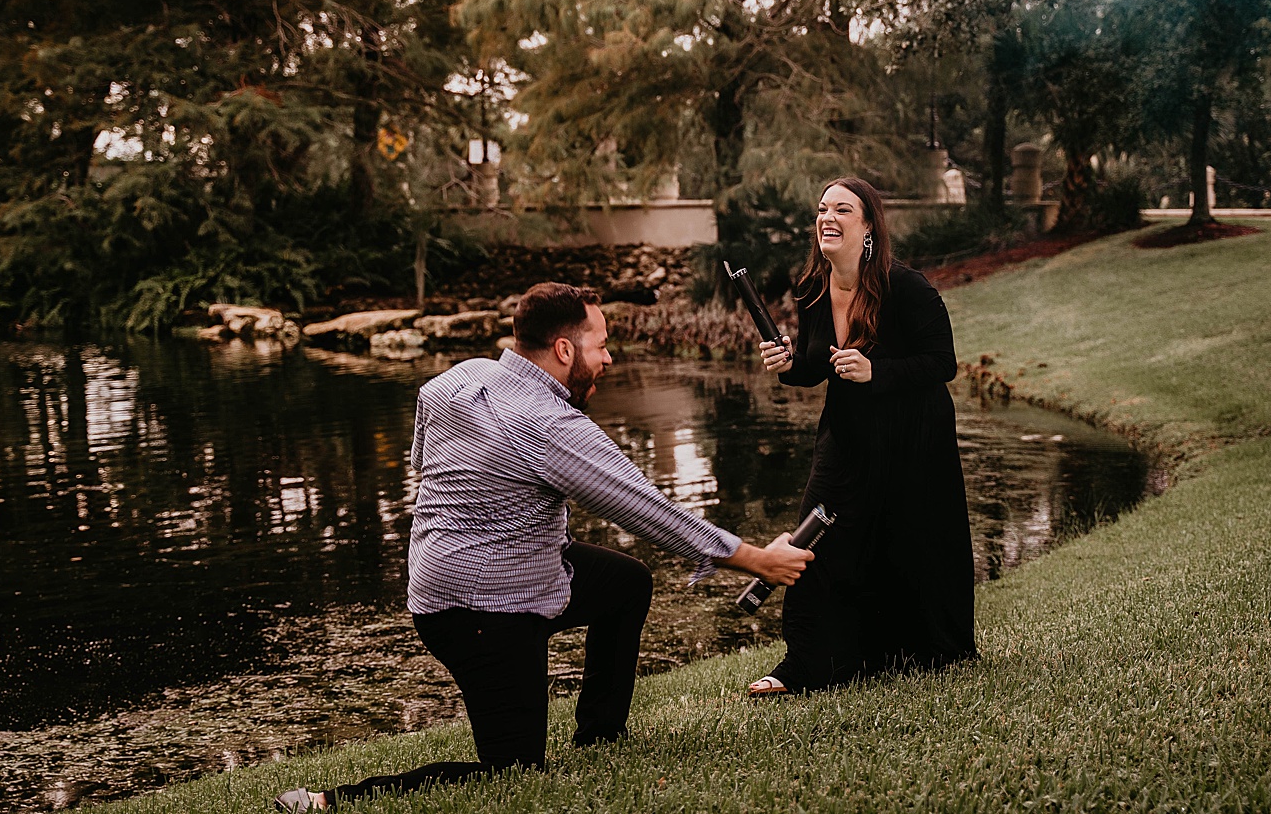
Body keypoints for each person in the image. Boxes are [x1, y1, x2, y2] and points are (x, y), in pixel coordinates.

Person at [275, 282, 812, 811]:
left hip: (482, 571)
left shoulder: (459, 377)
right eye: (600, 346)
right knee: (512, 773)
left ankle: (600, 737)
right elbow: (646, 509)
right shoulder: (546, 424)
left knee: (626, 583)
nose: (607, 359)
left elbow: (422, 444)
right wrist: (757, 559)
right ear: (563, 349)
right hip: (476, 609)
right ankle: (327, 800)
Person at [748, 176, 976, 696]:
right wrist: (786, 365)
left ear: (868, 225)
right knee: (816, 537)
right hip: (847, 432)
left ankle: (919, 651)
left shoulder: (907, 287)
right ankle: (803, 663)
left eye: (842, 210)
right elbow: (814, 368)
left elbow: (943, 364)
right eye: (822, 208)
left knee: (910, 539)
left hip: (913, 432)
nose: (828, 218)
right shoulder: (812, 289)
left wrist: (878, 372)